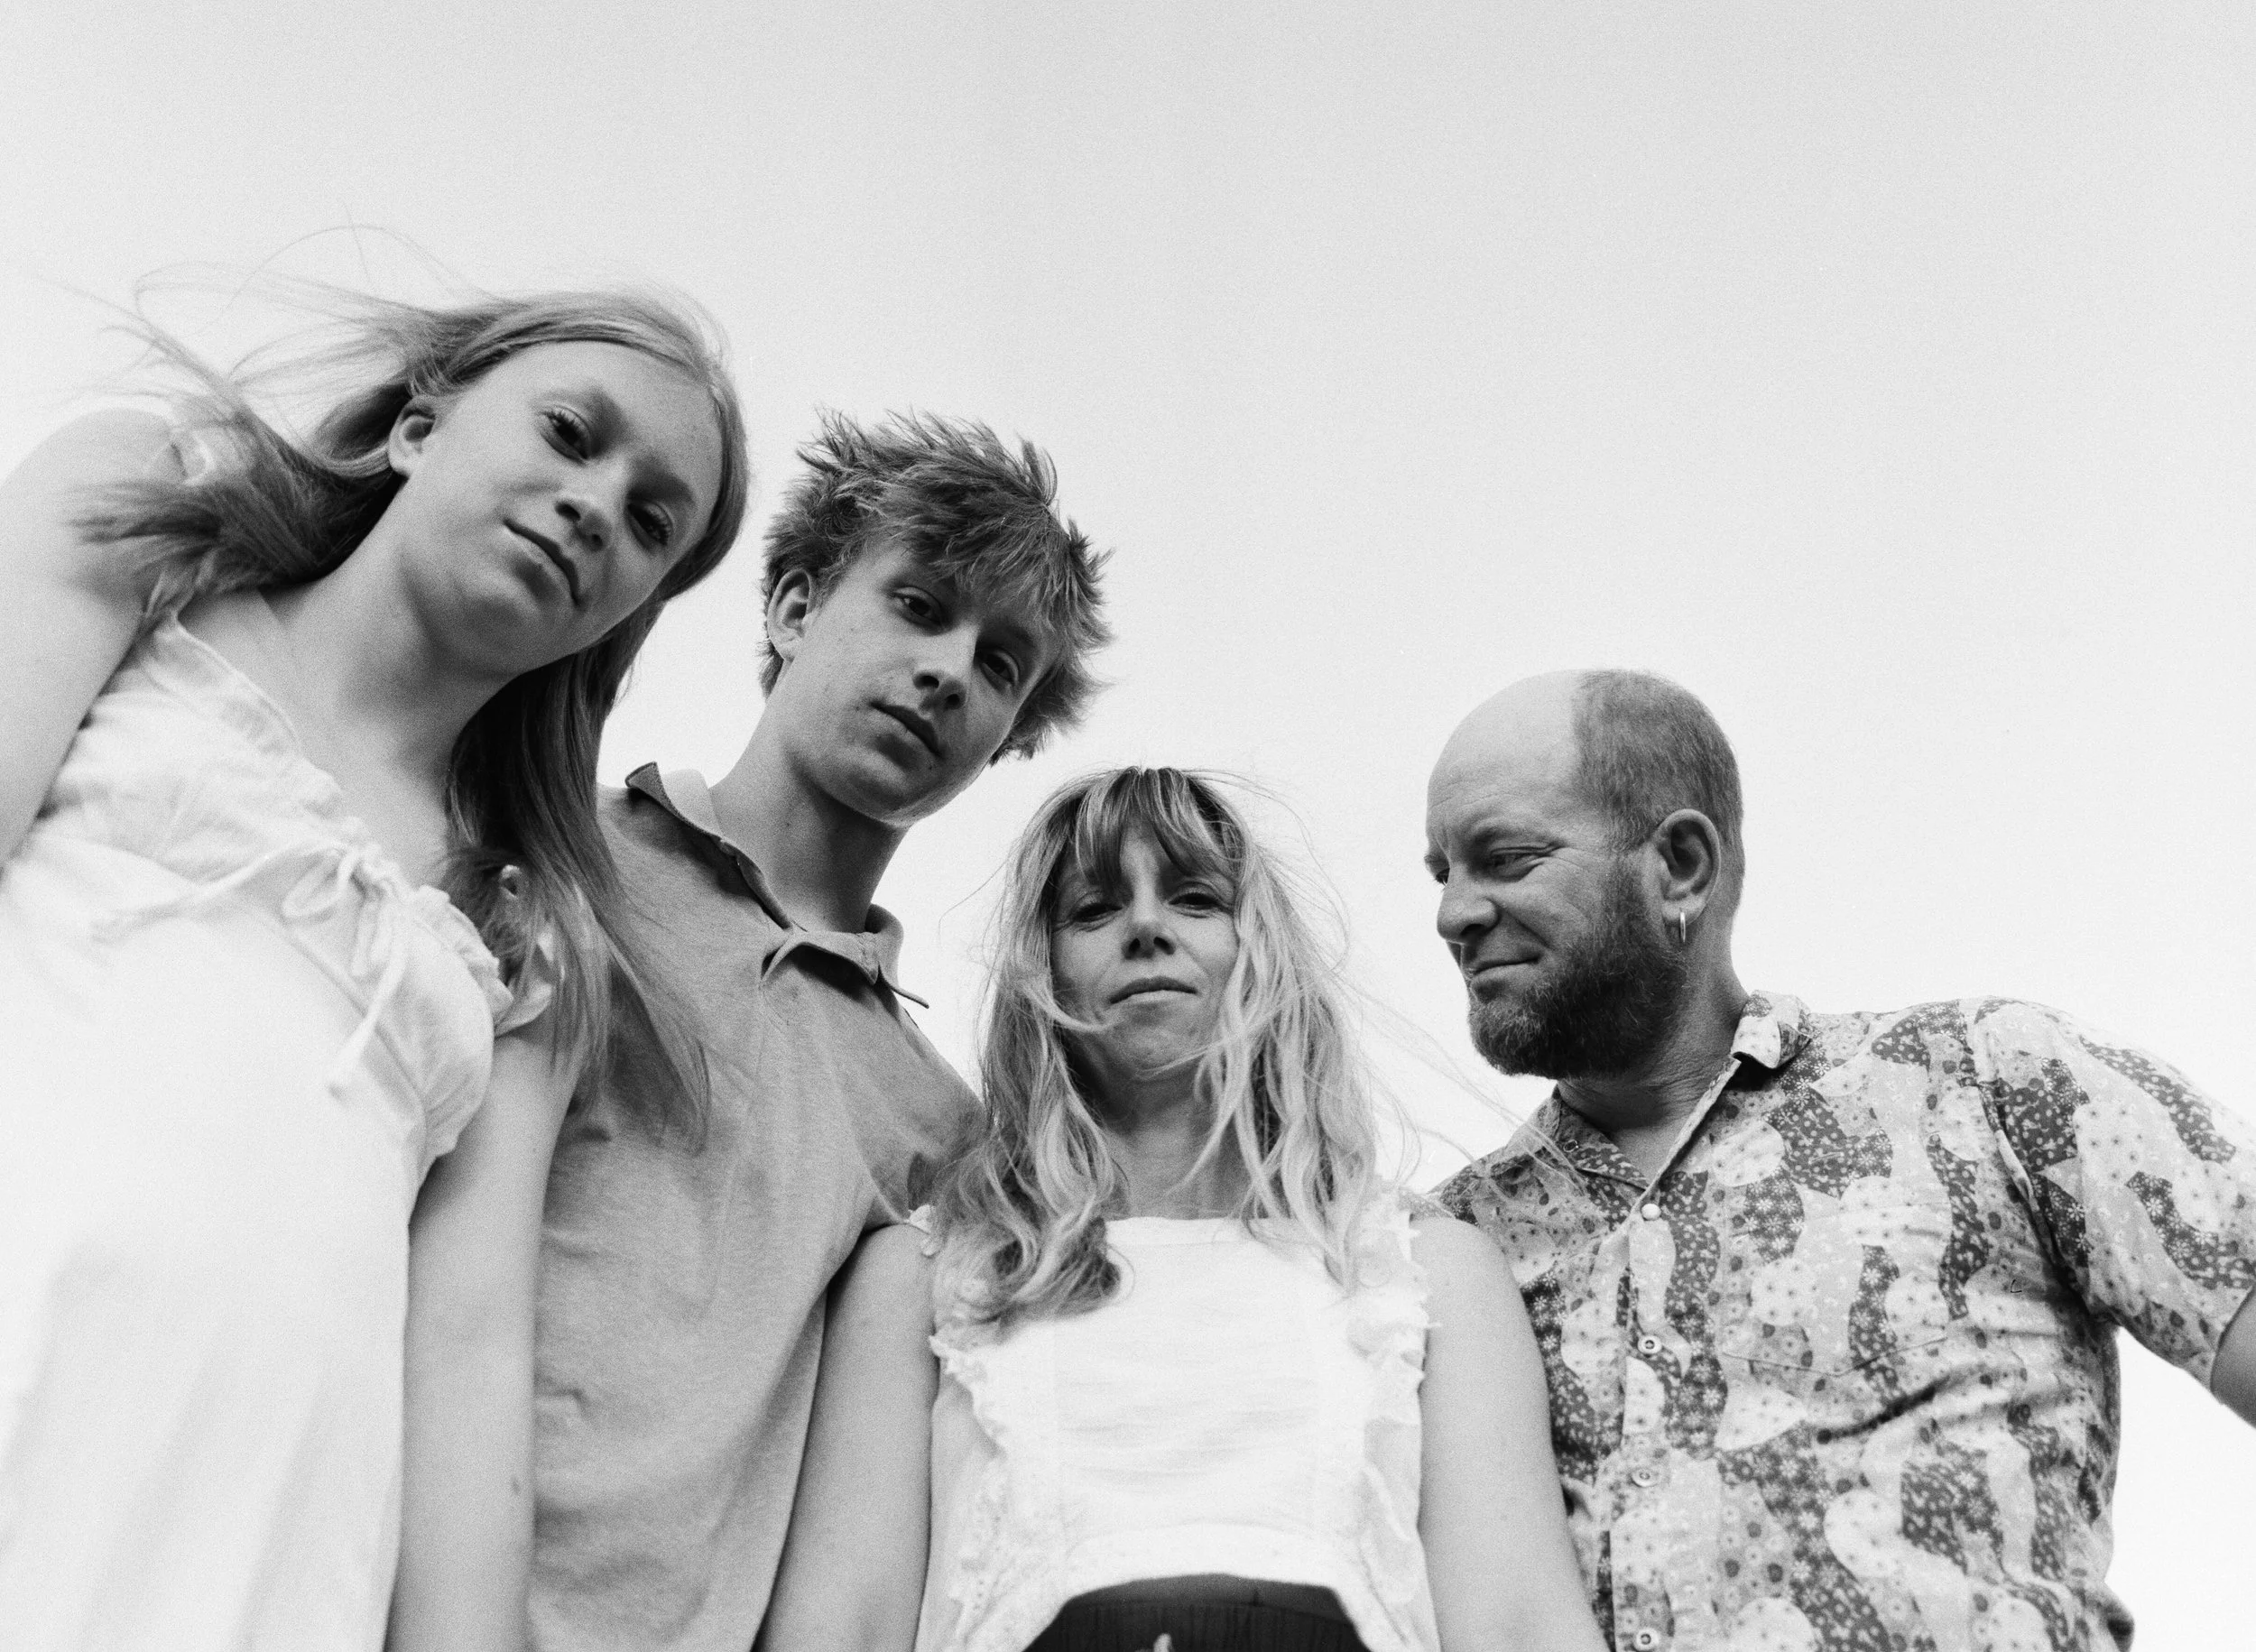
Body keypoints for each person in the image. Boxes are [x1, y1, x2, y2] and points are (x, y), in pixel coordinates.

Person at [0, 286, 750, 1651]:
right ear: (419, 424)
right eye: (573, 433)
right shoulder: (136, 527)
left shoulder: (535, 928)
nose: (598, 504)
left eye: (654, 521)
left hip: (271, 1541)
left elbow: (466, 1361)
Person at [1424, 669, 2256, 1652]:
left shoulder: (1988, 1082)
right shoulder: (1448, 1253)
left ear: (1680, 865)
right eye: (1441, 874)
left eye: (1505, 859)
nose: (1454, 916)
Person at [760, 767, 1608, 1652]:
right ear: (1040, 967)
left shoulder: (1425, 1268)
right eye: (1092, 909)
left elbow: (1519, 1623)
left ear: (1261, 949)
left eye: (1194, 898)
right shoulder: (925, 1274)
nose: (1145, 928)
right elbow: (838, 1626)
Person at [527, 411, 1112, 1652]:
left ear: (1006, 739)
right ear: (793, 606)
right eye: (918, 604)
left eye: (1002, 663)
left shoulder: (943, 1127)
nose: (952, 669)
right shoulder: (555, 856)